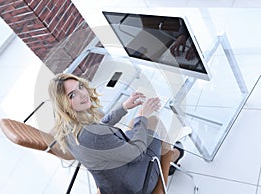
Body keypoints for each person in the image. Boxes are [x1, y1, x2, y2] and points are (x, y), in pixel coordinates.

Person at [48, 73, 184, 194]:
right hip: (136, 186)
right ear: (63, 104)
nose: (83, 94)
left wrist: (124, 107)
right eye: (72, 95)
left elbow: (99, 130)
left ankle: (170, 157)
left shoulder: (65, 128)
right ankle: (170, 159)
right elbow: (136, 154)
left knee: (135, 124)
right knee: (154, 121)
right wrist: (142, 115)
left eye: (80, 87)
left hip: (112, 183)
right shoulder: (93, 137)